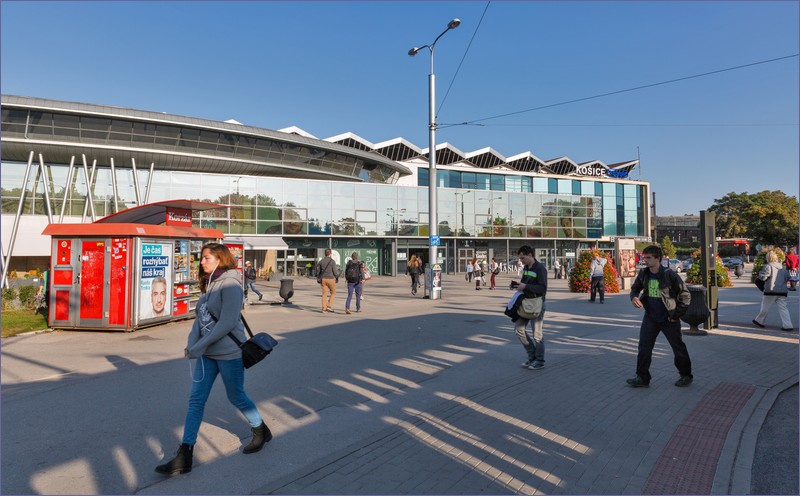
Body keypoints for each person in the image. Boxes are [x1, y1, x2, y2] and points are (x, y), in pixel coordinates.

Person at [155, 243, 271, 476]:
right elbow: (200, 320)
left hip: (229, 354)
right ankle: (185, 454)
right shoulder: (209, 284)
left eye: (206, 257)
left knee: (235, 395)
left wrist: (200, 345)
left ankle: (260, 429)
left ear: (220, 259)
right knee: (196, 400)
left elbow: (227, 322)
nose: (202, 262)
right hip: (207, 356)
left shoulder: (230, 285)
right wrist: (192, 342)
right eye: (202, 258)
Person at [627, 245, 693, 388]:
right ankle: (642, 377)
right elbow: (635, 288)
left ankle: (686, 375)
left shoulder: (669, 274)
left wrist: (676, 315)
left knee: (678, 348)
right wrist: (634, 297)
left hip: (669, 318)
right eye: (645, 257)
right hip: (650, 317)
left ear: (658, 259)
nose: (645, 260)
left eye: (649, 257)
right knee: (644, 347)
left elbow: (685, 295)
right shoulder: (644, 273)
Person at [511, 245, 548, 370]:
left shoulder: (540, 268)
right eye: (520, 258)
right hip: (525, 303)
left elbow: (543, 288)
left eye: (523, 258)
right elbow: (524, 282)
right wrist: (517, 286)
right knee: (518, 329)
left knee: (537, 334)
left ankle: (540, 360)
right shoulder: (526, 268)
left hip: (537, 304)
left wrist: (525, 287)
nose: (521, 261)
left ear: (530, 255)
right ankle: (532, 356)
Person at [753, 251, 794, 331]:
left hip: (770, 291)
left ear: (768, 258)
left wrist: (759, 276)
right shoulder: (782, 267)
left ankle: (759, 321)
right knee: (783, 309)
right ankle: (788, 325)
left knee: (765, 307)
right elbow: (788, 277)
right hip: (782, 292)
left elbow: (763, 277)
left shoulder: (768, 266)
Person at [316, 249, 338, 313]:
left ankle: (324, 308)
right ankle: (329, 305)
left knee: (324, 293)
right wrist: (336, 277)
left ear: (325, 254)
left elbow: (318, 271)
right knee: (333, 292)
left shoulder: (321, 261)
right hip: (331, 279)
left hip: (323, 279)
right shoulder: (332, 261)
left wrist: (319, 277)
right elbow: (335, 272)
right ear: (330, 254)